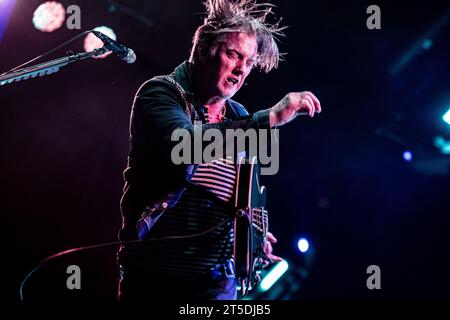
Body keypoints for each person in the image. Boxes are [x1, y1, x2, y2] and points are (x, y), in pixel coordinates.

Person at [117, 0, 321, 301]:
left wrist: (254, 238)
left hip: (216, 283)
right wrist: (270, 119)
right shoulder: (160, 93)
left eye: (249, 62)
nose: (241, 69)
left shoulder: (240, 116)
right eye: (233, 54)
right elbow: (186, 146)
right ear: (203, 49)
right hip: (155, 279)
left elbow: (246, 196)